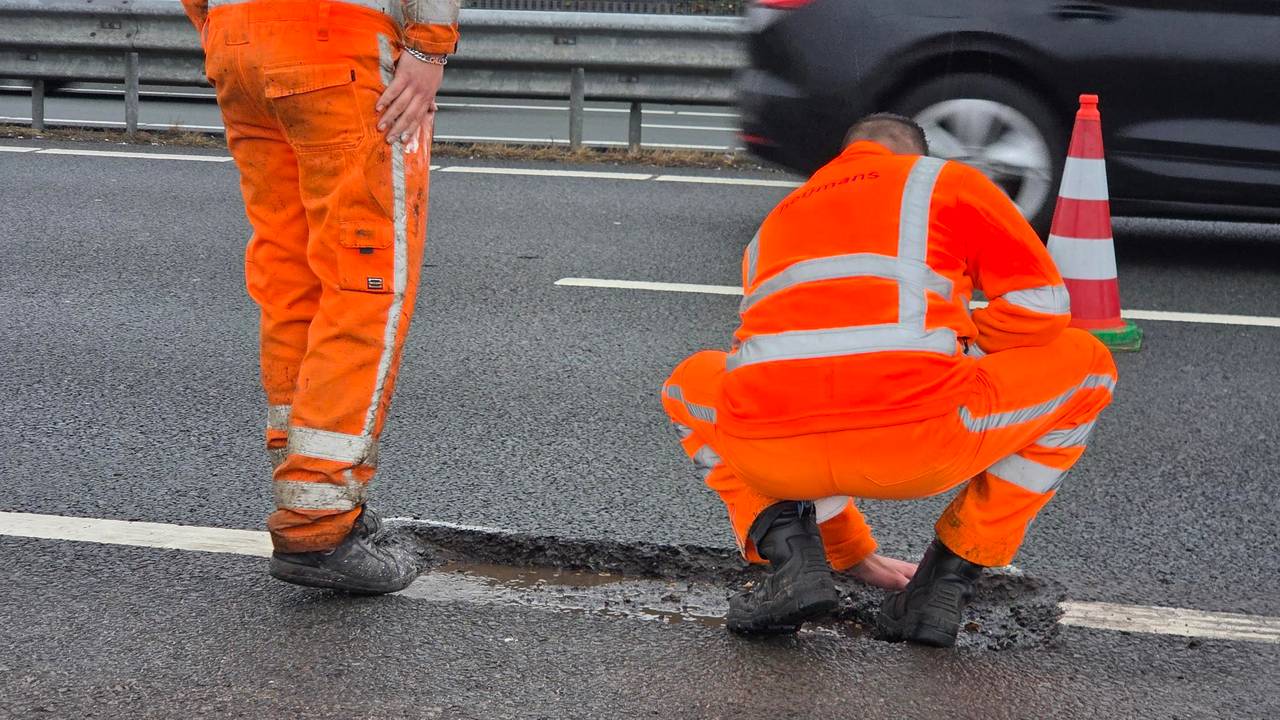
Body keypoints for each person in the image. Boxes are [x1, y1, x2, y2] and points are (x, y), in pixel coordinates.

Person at [661, 113, 1117, 646]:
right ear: (917, 154)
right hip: (920, 444)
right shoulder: (944, 180)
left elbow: (784, 355)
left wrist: (853, 554)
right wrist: (964, 348)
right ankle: (942, 585)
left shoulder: (778, 219)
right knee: (1086, 364)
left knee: (688, 382)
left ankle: (792, 559)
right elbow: (1041, 307)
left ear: (845, 154)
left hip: (772, 452)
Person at [180, 0, 459, 593]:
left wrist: (221, 26)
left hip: (238, 43)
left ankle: (310, 490)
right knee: (365, 283)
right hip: (336, 44)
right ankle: (319, 516)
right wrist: (429, 47)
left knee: (291, 277)